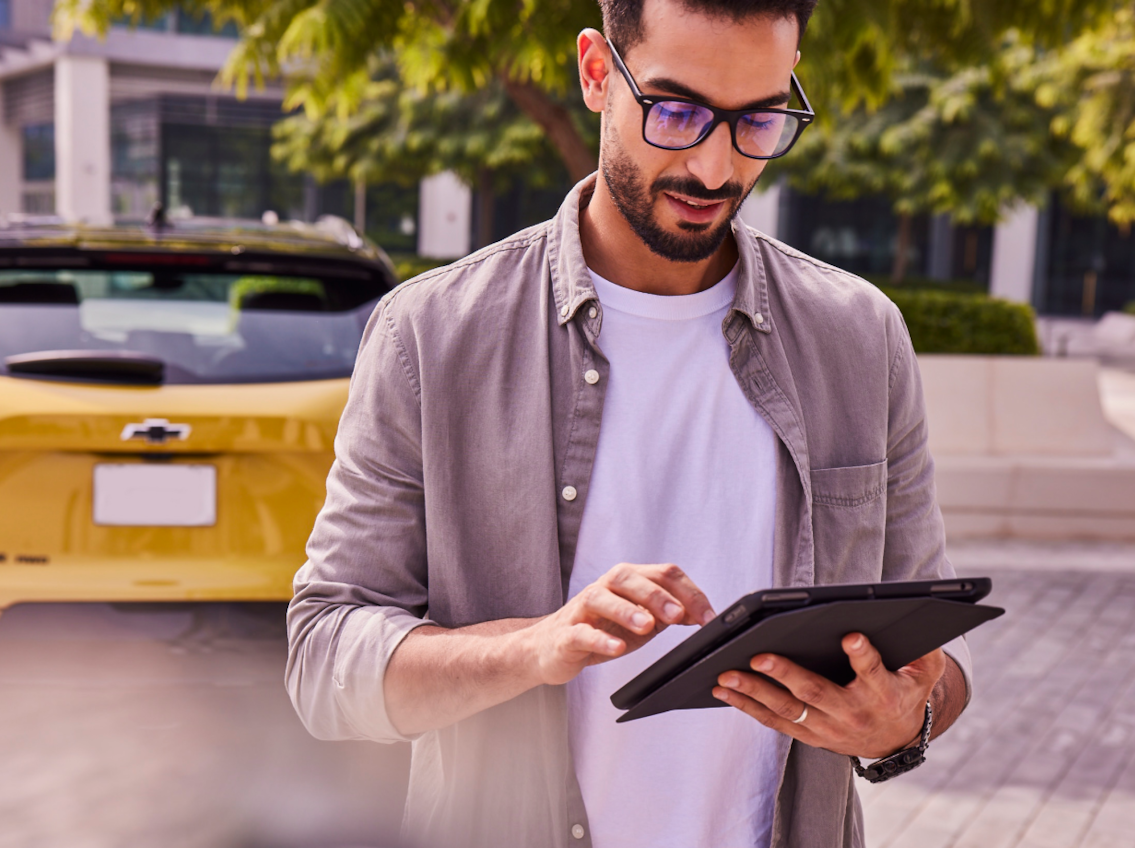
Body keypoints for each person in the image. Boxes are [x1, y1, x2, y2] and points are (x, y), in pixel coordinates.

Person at [286, 1, 972, 846]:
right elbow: (324, 659)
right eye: (677, 111)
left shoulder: (859, 336)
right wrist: (533, 648)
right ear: (598, 73)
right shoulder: (431, 335)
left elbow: (935, 656)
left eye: (758, 119)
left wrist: (901, 723)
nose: (716, 167)